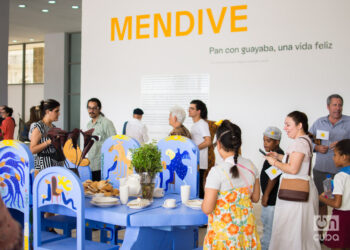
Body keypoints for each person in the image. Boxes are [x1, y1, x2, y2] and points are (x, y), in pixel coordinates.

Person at [202, 120, 261, 249]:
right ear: (239, 143)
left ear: (218, 144)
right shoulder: (251, 165)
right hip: (246, 231)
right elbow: (256, 198)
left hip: (225, 235)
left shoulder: (217, 172)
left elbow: (207, 209)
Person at [266, 111, 320, 250]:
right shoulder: (305, 140)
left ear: (299, 125)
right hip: (303, 189)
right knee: (300, 230)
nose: (285, 128)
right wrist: (279, 156)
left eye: (288, 124)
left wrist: (274, 162)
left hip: (295, 193)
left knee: (291, 229)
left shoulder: (299, 143)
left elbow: (293, 169)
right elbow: (299, 163)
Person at [309, 94, 350, 229]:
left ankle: (337, 232)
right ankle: (321, 234)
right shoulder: (319, 122)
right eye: (334, 105)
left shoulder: (348, 122)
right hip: (322, 171)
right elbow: (309, 139)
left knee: (339, 204)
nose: (338, 108)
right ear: (328, 107)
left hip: (341, 173)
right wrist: (317, 147)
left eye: (340, 105)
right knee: (322, 202)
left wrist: (342, 143)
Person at [319, 139, 350, 249]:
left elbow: (337, 204)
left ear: (344, 157)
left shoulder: (340, 176)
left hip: (341, 218)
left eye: (335, 155)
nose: (333, 158)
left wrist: (321, 198)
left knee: (337, 246)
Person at [259, 126, 284, 250]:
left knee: (268, 229)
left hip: (272, 200)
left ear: (277, 141)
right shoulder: (273, 154)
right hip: (272, 199)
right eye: (264, 140)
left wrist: (266, 196)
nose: (265, 143)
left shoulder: (276, 156)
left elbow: (273, 177)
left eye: (268, 141)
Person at [86, 98, 116, 181]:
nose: (91, 110)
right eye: (89, 108)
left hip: (102, 165)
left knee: (102, 192)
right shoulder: (89, 124)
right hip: (91, 164)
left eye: (94, 108)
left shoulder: (106, 123)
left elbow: (114, 142)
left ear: (99, 108)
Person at [29, 99, 64, 171]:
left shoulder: (53, 127)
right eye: (56, 111)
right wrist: (49, 142)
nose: (59, 114)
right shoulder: (39, 127)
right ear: (48, 112)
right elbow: (32, 149)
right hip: (43, 167)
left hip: (55, 165)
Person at [189, 100, 211, 198]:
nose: (189, 110)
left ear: (199, 111)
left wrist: (194, 149)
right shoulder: (195, 124)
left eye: (192, 108)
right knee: (196, 188)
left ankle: (203, 210)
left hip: (200, 161)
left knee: (200, 190)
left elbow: (208, 141)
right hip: (195, 160)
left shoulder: (202, 124)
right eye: (189, 108)